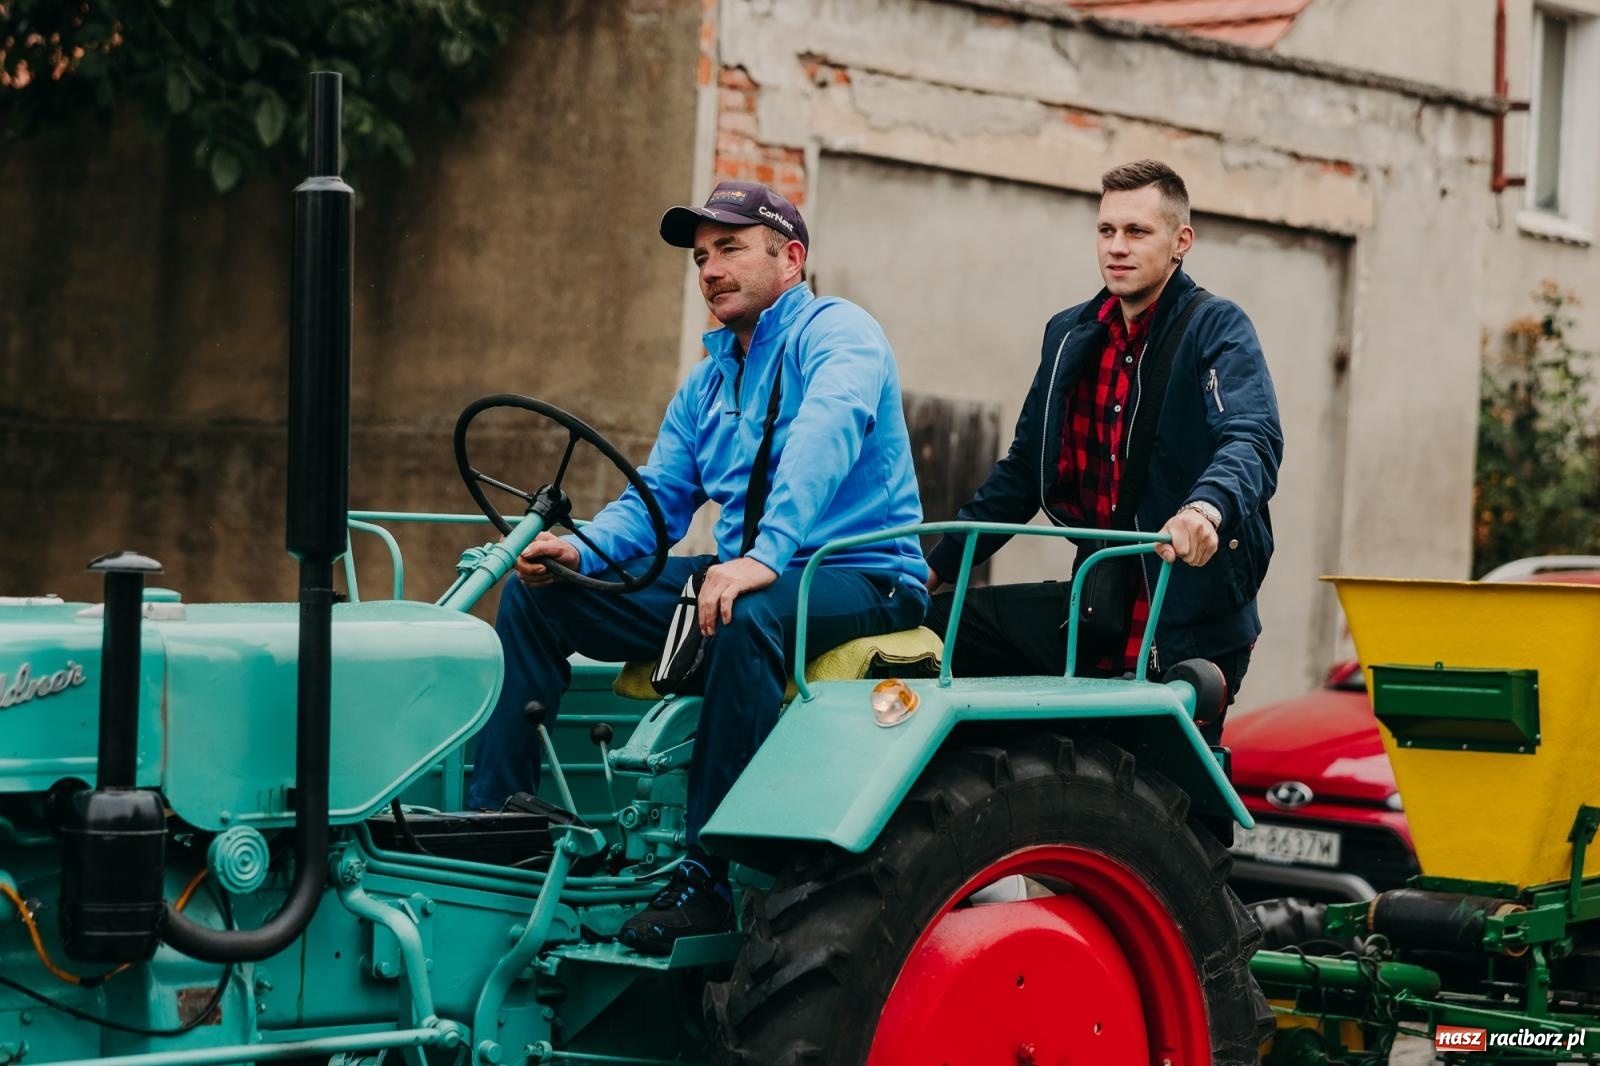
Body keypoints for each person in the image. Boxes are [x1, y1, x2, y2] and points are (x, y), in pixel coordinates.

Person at [468, 181, 929, 952]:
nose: (711, 268)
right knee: (542, 598)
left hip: (862, 572)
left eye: (731, 248)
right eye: (701, 256)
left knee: (746, 613)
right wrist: (580, 550)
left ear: (791, 258)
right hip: (753, 567)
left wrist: (764, 555)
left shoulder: (838, 333)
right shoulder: (709, 383)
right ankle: (498, 819)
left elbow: (825, 437)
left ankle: (709, 876)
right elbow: (654, 504)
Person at [924, 160, 1282, 741]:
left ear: (1179, 242)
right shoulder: (1070, 334)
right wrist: (935, 567)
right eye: (1106, 230)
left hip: (1188, 619)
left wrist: (1205, 509)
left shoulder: (1216, 328)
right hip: (1096, 605)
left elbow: (1251, 436)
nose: (1116, 247)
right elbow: (1021, 473)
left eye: (1137, 232)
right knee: (926, 631)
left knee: (1156, 805)